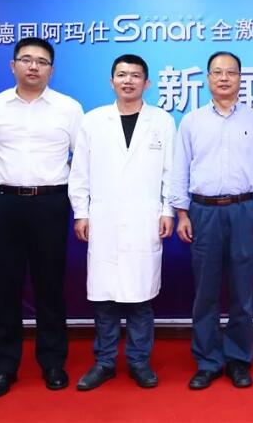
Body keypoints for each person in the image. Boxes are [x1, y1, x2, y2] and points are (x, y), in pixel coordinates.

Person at [0, 37, 83, 398]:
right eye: (26, 59)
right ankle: (4, 367)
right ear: (13, 65)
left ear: (52, 69)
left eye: (42, 62)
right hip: (5, 205)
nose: (34, 67)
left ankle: (53, 363)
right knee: (5, 286)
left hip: (50, 205)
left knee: (51, 286)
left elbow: (81, 159)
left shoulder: (69, 108)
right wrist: (7, 185)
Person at [171, 51, 253, 390]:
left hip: (244, 210)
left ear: (240, 78)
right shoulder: (191, 121)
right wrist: (182, 213)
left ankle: (238, 359)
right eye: (217, 72)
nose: (223, 78)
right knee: (205, 292)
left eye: (230, 72)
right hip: (203, 212)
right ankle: (207, 361)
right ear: (207, 78)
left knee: (242, 292)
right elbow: (180, 168)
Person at [68, 54, 175, 391]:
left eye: (135, 75)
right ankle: (104, 362)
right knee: (105, 300)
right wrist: (81, 212)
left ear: (147, 83)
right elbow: (79, 172)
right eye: (122, 75)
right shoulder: (93, 121)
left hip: (145, 219)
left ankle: (139, 362)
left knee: (141, 299)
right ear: (111, 81)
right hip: (104, 219)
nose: (128, 81)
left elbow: (171, 172)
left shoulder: (162, 121)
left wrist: (168, 210)